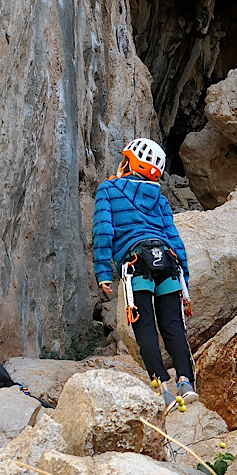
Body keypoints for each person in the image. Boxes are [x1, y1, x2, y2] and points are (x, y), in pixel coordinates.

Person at [93, 137, 197, 411]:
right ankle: (185, 383)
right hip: (167, 262)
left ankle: (163, 390)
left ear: (130, 162)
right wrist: (183, 280)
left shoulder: (108, 189)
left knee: (146, 328)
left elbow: (104, 230)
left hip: (136, 262)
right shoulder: (160, 199)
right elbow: (174, 239)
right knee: (173, 326)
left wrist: (103, 270)